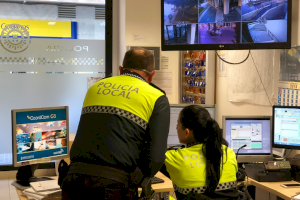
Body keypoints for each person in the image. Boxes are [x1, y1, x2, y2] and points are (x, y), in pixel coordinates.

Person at [61, 47, 170, 200]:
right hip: (113, 185)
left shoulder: (95, 87)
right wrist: (135, 180)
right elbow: (156, 158)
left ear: (120, 69)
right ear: (152, 75)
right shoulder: (157, 97)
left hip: (73, 178)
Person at [161, 105, 244, 200]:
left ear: (186, 132)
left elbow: (151, 158)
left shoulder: (174, 158)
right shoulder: (228, 152)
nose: (176, 128)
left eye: (177, 124)